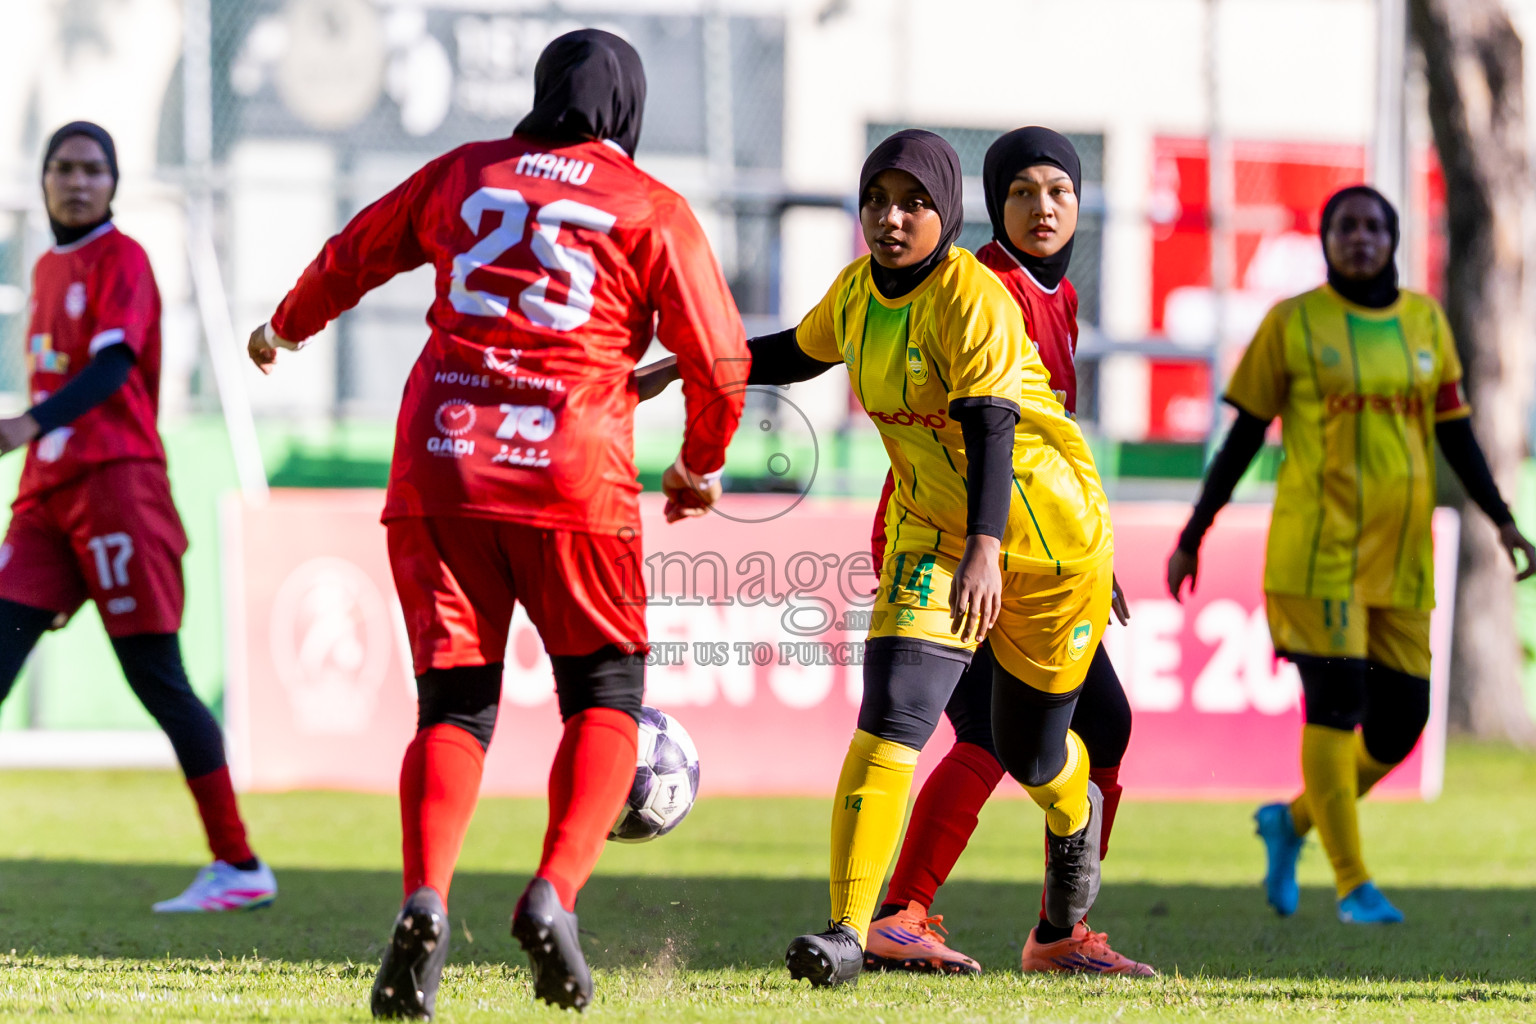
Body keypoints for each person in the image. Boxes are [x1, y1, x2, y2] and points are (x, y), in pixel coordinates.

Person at [249, 30, 747, 1017]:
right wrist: (698, 463)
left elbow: (357, 252)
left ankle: (425, 897)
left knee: (455, 707)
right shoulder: (647, 205)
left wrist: (284, 326)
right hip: (571, 470)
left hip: (442, 459)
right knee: (607, 691)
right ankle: (552, 891)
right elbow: (721, 361)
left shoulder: (463, 172)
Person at [641, 129, 1116, 988]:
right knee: (892, 711)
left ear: (947, 211)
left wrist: (986, 552)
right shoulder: (861, 290)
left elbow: (992, 431)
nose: (890, 220)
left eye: (913, 204)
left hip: (1049, 545)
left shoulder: (974, 299)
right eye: (876, 202)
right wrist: (692, 366)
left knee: (1035, 754)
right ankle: (850, 933)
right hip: (936, 532)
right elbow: (797, 349)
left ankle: (1074, 810)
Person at [1167, 185, 1536, 925]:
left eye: (1374, 226)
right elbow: (1243, 437)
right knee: (1334, 709)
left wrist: (1502, 520)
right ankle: (1352, 883)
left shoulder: (1425, 321)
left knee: (1402, 726)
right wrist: (1195, 531)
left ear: (1394, 239)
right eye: (1345, 225)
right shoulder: (1294, 323)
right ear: (1327, 238)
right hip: (1317, 554)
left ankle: (1292, 821)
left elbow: (1456, 433)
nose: (1360, 237)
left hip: (1401, 556)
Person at [861, 127, 1151, 976]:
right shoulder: (983, 285)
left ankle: (1058, 934)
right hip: (954, 544)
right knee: (989, 731)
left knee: (1105, 726)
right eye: (1022, 192)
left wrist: (1086, 558)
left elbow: (1041, 451)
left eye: (1058, 190)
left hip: (1034, 550)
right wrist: (993, 548)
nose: (1043, 207)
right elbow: (984, 439)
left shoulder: (1053, 294)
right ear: (995, 205)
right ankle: (899, 913)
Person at [0, 121, 274, 913]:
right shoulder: (48, 266)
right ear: (44, 179)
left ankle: (240, 865)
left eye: (92, 169)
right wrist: (38, 437)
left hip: (119, 490)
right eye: (63, 168)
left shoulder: (126, 259)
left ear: (113, 184)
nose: (77, 181)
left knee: (158, 680)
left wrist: (28, 424)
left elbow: (113, 367)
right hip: (47, 501)